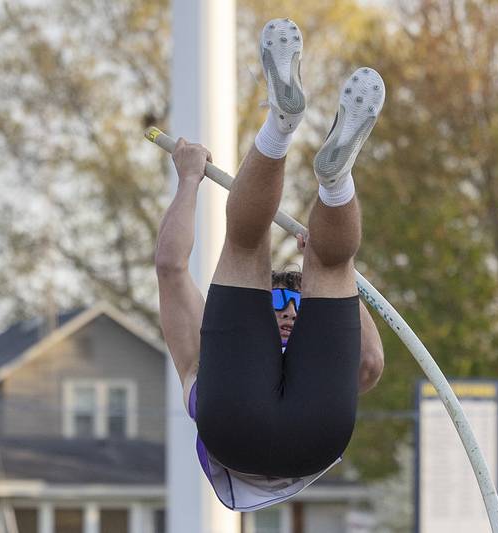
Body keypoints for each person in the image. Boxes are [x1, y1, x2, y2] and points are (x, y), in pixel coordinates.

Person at [155, 17, 385, 511]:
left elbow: (172, 268)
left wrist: (191, 180)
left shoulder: (203, 360)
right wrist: (340, 280)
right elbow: (369, 363)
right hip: (303, 436)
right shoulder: (207, 362)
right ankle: (333, 179)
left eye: (287, 299)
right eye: (287, 300)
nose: (285, 309)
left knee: (256, 248)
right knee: (305, 258)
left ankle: (284, 129)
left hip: (262, 434)